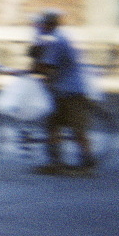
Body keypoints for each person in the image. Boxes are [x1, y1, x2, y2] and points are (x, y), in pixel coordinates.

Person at [30, 9, 95, 173]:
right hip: (64, 90)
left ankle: (87, 162)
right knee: (54, 125)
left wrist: (34, 60)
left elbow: (46, 67)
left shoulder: (57, 41)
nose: (41, 26)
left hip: (70, 92)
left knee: (75, 128)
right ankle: (57, 162)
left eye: (43, 23)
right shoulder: (59, 37)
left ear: (49, 24)